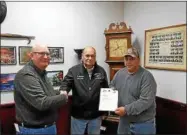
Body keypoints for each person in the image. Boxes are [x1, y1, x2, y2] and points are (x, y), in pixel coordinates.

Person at [14, 44, 68, 135]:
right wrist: (63, 97)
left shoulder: (41, 73)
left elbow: (48, 93)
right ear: (32, 56)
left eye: (48, 54)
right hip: (34, 130)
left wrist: (58, 92)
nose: (46, 57)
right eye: (42, 54)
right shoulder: (26, 75)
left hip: (48, 127)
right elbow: (41, 103)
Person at [60, 46, 109, 134]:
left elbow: (106, 90)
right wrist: (63, 91)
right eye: (87, 55)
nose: (90, 58)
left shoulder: (101, 71)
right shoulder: (74, 71)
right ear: (82, 56)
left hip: (96, 115)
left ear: (95, 57)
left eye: (92, 56)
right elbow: (66, 83)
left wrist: (106, 111)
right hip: (79, 115)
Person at [110, 47, 157, 134]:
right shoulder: (119, 73)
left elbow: (145, 101)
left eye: (132, 59)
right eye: (126, 59)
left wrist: (126, 110)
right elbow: (112, 86)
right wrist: (109, 96)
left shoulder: (146, 77)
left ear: (138, 60)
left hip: (143, 124)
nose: (128, 61)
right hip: (124, 123)